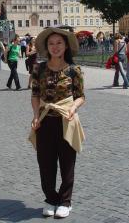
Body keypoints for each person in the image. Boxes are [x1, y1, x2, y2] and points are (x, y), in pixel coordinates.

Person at [30, 27, 85, 219]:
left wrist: (73, 107)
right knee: (45, 163)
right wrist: (36, 116)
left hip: (66, 119)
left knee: (67, 163)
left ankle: (65, 201)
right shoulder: (39, 68)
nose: (55, 47)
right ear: (47, 46)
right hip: (45, 120)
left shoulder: (73, 70)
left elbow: (80, 96)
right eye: (51, 43)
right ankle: (50, 198)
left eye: (59, 43)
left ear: (66, 46)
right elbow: (35, 95)